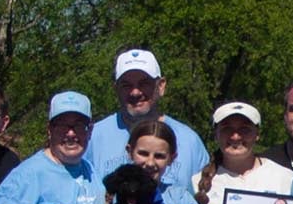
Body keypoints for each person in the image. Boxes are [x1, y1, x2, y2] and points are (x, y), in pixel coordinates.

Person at [87, 48, 207, 188]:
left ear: (161, 86)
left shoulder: (189, 141)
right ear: (116, 89)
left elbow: (204, 195)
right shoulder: (92, 138)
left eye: (144, 83)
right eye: (126, 85)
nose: (135, 92)